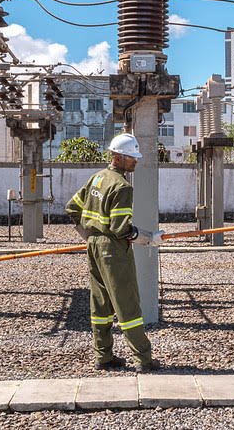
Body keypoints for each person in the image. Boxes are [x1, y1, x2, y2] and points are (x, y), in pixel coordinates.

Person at [65, 132, 164, 373]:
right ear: (118, 157)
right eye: (131, 157)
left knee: (100, 303)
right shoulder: (122, 187)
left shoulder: (97, 179)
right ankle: (143, 358)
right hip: (112, 250)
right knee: (126, 302)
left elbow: (72, 208)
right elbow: (121, 229)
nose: (135, 162)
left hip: (94, 247)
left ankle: (104, 355)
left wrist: (88, 236)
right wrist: (148, 239)